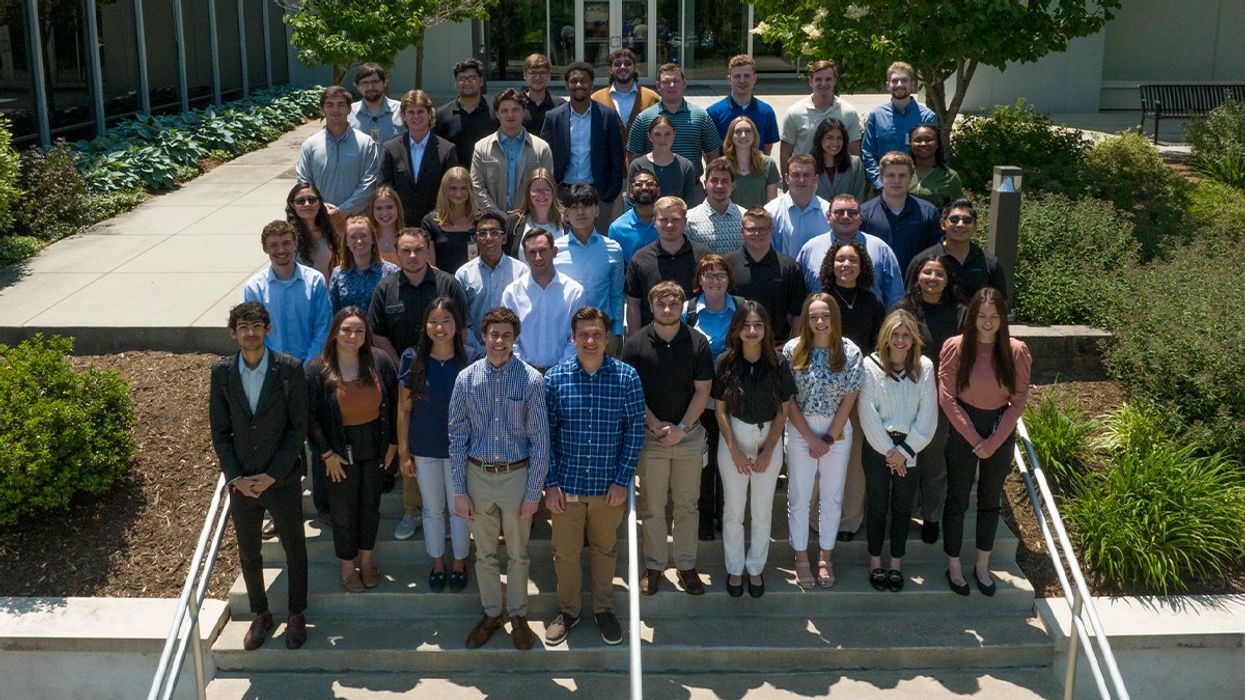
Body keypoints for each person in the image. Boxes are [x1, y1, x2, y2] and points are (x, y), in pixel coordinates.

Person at [209, 302, 309, 651]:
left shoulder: (289, 370)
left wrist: (271, 475)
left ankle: (296, 614)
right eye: (243, 327)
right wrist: (236, 477)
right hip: (241, 482)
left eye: (256, 326)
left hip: (279, 479)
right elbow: (220, 432)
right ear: (233, 333)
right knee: (249, 552)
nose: (250, 333)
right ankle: (260, 613)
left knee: (294, 548)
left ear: (268, 329)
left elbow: (298, 430)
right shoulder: (221, 373)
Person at [543, 307, 645, 646]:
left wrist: (622, 479)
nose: (590, 340)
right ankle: (569, 612)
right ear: (572, 337)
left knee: (605, 549)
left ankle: (604, 609)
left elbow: (634, 432)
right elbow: (546, 436)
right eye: (584, 334)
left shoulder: (626, 377)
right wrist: (551, 483)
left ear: (608, 338)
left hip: (607, 488)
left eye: (597, 334)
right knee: (566, 554)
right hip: (567, 488)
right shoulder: (554, 379)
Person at [449, 307, 550, 649]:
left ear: (514, 339)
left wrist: (534, 492)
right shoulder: (466, 379)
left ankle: (518, 615)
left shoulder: (531, 380)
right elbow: (457, 436)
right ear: (484, 336)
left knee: (519, 553)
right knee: (486, 553)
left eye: (507, 335)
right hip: (478, 474)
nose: (500, 341)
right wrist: (459, 491)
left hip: (516, 475)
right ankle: (493, 612)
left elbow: (540, 439)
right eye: (494, 334)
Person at [367, 227, 470, 540]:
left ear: (428, 251)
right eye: (406, 251)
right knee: (410, 440)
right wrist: (404, 367)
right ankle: (414, 511)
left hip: (447, 371)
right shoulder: (386, 288)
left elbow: (462, 327)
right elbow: (378, 333)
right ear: (396, 253)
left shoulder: (447, 284)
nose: (412, 256)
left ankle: (455, 516)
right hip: (405, 374)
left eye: (418, 250)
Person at [622, 281, 715, 596]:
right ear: (651, 306)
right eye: (661, 304)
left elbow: (703, 390)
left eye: (673, 304)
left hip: (689, 438)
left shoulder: (698, 342)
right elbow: (633, 393)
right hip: (652, 439)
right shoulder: (634, 344)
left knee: (688, 506)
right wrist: (656, 425)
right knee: (653, 506)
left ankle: (687, 566)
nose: (667, 310)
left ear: (681, 307)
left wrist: (683, 429)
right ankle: (654, 566)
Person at [939, 288, 1031, 597]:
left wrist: (993, 440)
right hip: (964, 427)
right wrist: (975, 438)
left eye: (994, 317)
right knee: (957, 498)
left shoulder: (1015, 350)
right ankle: (953, 564)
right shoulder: (956, 346)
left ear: (1003, 319)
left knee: (990, 502)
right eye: (982, 316)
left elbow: (1018, 400)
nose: (988, 322)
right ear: (972, 317)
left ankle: (982, 564)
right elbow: (948, 397)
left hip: (998, 429)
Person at [306, 307, 398, 592]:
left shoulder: (379, 361)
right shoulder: (316, 369)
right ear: (335, 332)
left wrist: (393, 443)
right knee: (343, 512)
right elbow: (309, 417)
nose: (352, 335)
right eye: (346, 329)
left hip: (373, 443)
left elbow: (394, 404)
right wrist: (325, 454)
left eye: (359, 330)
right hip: (336, 449)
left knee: (370, 506)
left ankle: (367, 562)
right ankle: (348, 566)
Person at [712, 302, 795, 598]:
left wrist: (769, 451)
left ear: (766, 329)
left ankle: (755, 568)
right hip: (734, 435)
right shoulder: (725, 362)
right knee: (733, 510)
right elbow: (720, 410)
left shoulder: (779, 363)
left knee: (761, 511)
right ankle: (735, 569)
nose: (752, 331)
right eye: (746, 325)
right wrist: (733, 450)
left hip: (767, 437)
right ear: (737, 329)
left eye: (758, 325)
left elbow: (784, 412)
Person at [783, 293, 862, 589]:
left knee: (832, 496)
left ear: (835, 318)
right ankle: (801, 557)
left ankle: (825, 557)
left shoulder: (850, 351)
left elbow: (849, 399)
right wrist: (810, 438)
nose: (819, 322)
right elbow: (787, 400)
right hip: (800, 429)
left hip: (836, 432)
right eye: (814, 316)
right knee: (799, 497)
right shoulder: (793, 350)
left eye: (825, 316)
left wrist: (827, 438)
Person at [858, 309, 938, 593]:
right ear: (886, 336)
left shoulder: (924, 367)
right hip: (878, 447)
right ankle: (876, 562)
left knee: (903, 508)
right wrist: (890, 452)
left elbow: (928, 416)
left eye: (906, 335)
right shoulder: (869, 365)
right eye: (895, 334)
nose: (901, 340)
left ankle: (896, 564)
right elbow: (866, 411)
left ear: (914, 338)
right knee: (877, 505)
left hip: (910, 449)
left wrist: (904, 451)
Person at [397, 298, 472, 592]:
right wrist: (404, 452)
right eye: (433, 321)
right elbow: (403, 410)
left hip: (460, 450)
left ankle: (459, 563)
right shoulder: (412, 358)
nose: (439, 328)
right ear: (425, 325)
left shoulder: (470, 358)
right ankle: (438, 562)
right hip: (424, 447)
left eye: (446, 321)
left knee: (459, 510)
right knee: (431, 509)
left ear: (456, 325)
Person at [897, 254, 965, 545]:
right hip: (905, 394)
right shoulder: (903, 310)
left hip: (942, 398)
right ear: (917, 276)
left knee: (934, 461)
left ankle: (932, 517)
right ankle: (903, 512)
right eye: (927, 273)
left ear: (948, 280)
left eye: (939, 274)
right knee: (906, 456)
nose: (932, 279)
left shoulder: (961, 313)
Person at [682, 254, 739, 542]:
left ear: (729, 280)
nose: (714, 281)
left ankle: (726, 516)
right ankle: (705, 518)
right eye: (708, 275)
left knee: (728, 461)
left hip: (733, 401)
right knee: (704, 464)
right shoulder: (687, 312)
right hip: (699, 402)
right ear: (699, 280)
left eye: (720, 275)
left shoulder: (742, 310)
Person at [541, 62, 625, 231]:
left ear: (591, 84)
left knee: (597, 242)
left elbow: (617, 156)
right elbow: (544, 156)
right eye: (573, 81)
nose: (578, 85)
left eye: (584, 81)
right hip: (562, 194)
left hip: (598, 194)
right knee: (564, 244)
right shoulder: (553, 117)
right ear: (567, 85)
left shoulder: (607, 116)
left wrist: (609, 195)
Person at [243, 221, 332, 365]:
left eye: (286, 243)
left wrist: (307, 366)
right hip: (271, 367)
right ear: (265, 248)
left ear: (295, 243)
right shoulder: (255, 288)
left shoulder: (315, 281)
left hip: (310, 365)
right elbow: (254, 333)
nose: (281, 250)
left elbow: (323, 328)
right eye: (273, 245)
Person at [795, 193, 905, 309]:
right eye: (839, 212)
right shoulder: (810, 249)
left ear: (861, 218)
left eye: (852, 213)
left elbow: (895, 297)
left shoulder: (880, 249)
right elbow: (797, 296)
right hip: (821, 323)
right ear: (828, 217)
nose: (845, 216)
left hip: (870, 324)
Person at [296, 86, 380, 231]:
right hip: (320, 221)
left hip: (357, 224)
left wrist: (342, 211)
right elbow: (303, 183)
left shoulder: (366, 143)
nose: (336, 110)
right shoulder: (310, 145)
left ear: (349, 109)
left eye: (341, 105)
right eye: (330, 105)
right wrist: (323, 209)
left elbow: (369, 184)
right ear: (322, 110)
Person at [553, 185, 625, 353]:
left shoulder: (613, 249)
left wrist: (617, 333)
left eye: (586, 206)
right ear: (566, 214)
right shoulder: (554, 250)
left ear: (597, 210)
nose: (580, 212)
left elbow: (616, 294)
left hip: (602, 332)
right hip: (566, 334)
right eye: (574, 207)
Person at [502, 228, 586, 373]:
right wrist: (526, 372)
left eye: (543, 250)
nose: (538, 257)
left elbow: (576, 338)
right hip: (521, 374)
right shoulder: (512, 293)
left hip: (563, 374)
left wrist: (558, 372)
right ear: (525, 256)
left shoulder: (574, 291)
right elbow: (509, 338)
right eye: (532, 252)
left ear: (554, 251)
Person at [624, 196, 710, 332]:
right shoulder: (640, 259)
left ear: (685, 222)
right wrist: (635, 341)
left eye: (675, 219)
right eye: (663, 220)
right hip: (651, 341)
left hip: (695, 338)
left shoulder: (703, 257)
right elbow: (634, 302)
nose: (669, 225)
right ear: (654, 222)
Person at [725, 208, 807, 343]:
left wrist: (791, 346)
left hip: (777, 346)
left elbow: (797, 313)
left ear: (770, 230)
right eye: (751, 229)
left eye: (762, 229)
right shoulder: (728, 265)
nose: (757, 233)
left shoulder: (790, 267)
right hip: (737, 346)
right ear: (742, 231)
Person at [626, 63, 721, 178]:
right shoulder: (644, 118)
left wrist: (711, 182)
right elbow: (633, 157)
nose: (671, 85)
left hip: (692, 188)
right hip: (654, 189)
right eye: (666, 82)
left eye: (676, 81)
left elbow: (713, 155)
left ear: (684, 84)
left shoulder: (701, 116)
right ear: (658, 85)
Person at [380, 89, 459, 228]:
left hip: (437, 224)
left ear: (429, 114)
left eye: (421, 112)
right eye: (411, 112)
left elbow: (451, 190)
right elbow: (383, 189)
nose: (416, 116)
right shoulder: (390, 149)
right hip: (399, 224)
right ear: (403, 116)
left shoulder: (447, 149)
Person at [907, 198, 1010, 304]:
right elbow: (908, 302)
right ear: (943, 224)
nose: (960, 224)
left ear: (975, 226)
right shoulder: (922, 261)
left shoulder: (990, 264)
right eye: (954, 219)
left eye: (967, 220)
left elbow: (1000, 307)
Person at [471, 88, 555, 214]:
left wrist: (525, 216)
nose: (510, 115)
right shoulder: (481, 148)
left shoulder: (541, 148)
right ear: (497, 114)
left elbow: (546, 188)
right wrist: (499, 216)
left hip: (530, 220)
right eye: (504, 110)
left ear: (524, 112)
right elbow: (476, 188)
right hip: (492, 222)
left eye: (515, 110)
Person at [456, 211, 525, 358]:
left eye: (494, 233)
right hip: (476, 354)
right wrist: (479, 351)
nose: (488, 238)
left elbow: (525, 315)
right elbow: (461, 320)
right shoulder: (463, 274)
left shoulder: (521, 272)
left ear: (504, 238)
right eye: (482, 233)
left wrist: (512, 348)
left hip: (514, 353)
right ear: (475, 239)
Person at [859, 152, 942, 273]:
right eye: (891, 175)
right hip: (876, 285)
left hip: (917, 285)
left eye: (902, 175)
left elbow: (936, 253)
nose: (896, 181)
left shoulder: (928, 212)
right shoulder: (864, 213)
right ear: (881, 177)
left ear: (911, 178)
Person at [861, 61, 938, 190]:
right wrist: (879, 182)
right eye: (895, 81)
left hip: (918, 188)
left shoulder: (927, 117)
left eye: (904, 80)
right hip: (883, 187)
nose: (899, 85)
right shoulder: (876, 115)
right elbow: (868, 152)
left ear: (912, 84)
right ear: (887, 85)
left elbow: (933, 153)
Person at [779, 60, 861, 177]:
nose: (823, 83)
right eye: (818, 79)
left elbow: (854, 153)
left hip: (838, 179)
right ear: (810, 81)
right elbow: (785, 153)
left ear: (835, 81)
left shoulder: (849, 112)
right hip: (804, 180)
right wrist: (788, 185)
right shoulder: (795, 112)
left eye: (828, 79)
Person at [819, 239, 885, 363]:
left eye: (853, 260)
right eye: (840, 259)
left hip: (864, 368)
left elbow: (879, 341)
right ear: (831, 264)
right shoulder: (821, 301)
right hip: (827, 367)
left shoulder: (873, 301)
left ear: (861, 267)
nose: (846, 264)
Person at [706, 55, 781, 154]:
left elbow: (767, 147)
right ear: (729, 79)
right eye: (737, 76)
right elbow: (708, 150)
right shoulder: (713, 113)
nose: (742, 80)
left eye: (747, 76)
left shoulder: (766, 112)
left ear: (754, 79)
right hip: (724, 168)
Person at [625, 116, 703, 208]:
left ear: (674, 135)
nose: (662, 139)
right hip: (644, 220)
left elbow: (689, 203)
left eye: (667, 134)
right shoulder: (637, 165)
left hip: (674, 220)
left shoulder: (686, 166)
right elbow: (630, 201)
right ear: (650, 136)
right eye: (657, 134)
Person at [435, 58, 499, 169]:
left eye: (472, 78)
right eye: (462, 78)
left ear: (481, 81)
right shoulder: (441, 115)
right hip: (455, 181)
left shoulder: (496, 112)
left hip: (490, 179)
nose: (467, 82)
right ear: (456, 82)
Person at [329, 216, 399, 313]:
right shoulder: (338, 274)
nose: (359, 241)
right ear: (346, 242)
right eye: (353, 237)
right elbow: (333, 312)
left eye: (364, 236)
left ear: (372, 239)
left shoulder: (392, 272)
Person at [764, 154, 829, 257]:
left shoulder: (829, 212)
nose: (801, 180)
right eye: (796, 175)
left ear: (815, 179)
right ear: (786, 178)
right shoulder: (770, 212)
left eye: (806, 175)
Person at [592, 48, 660, 144]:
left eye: (627, 63)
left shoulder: (651, 98)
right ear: (611, 69)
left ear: (635, 67)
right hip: (608, 157)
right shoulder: (596, 99)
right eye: (617, 64)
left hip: (642, 156)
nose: (622, 67)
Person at [422, 167, 480, 274]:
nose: (458, 194)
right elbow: (430, 265)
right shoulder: (430, 221)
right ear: (444, 190)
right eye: (453, 188)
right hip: (444, 284)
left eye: (463, 188)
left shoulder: (479, 220)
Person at [685, 157, 745, 255]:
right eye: (714, 180)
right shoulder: (688, 219)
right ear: (705, 184)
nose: (719, 186)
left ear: (733, 186)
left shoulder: (745, 218)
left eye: (724, 181)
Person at [722, 116, 780, 209]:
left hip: (759, 221)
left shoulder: (769, 164)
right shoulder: (720, 165)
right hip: (729, 222)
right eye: (738, 131)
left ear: (754, 135)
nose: (743, 135)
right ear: (731, 136)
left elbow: (772, 205)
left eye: (748, 131)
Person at [504, 168, 563, 256]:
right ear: (528, 194)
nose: (541, 194)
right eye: (535, 190)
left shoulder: (567, 223)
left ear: (553, 192)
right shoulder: (514, 222)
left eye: (546, 189)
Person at [286, 182, 338, 280]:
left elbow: (332, 267)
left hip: (324, 292)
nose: (307, 204)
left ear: (319, 204)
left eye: (312, 200)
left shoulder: (327, 231)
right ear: (293, 205)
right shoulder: (288, 236)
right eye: (300, 201)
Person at [608, 170, 660, 265]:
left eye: (650, 184)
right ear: (631, 191)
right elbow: (616, 267)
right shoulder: (617, 228)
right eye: (638, 184)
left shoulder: (668, 223)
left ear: (658, 190)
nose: (644, 188)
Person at [907, 124, 962, 211]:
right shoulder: (902, 173)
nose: (923, 144)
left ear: (937, 144)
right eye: (917, 140)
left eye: (929, 140)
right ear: (910, 144)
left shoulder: (950, 176)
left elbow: (957, 210)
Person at [812, 118, 866, 203]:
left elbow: (859, 198)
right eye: (830, 138)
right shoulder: (809, 165)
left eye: (839, 138)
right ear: (820, 139)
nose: (835, 143)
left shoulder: (855, 164)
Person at [349, 63, 403, 144]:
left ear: (385, 83)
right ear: (357, 86)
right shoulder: (348, 113)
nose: (370, 87)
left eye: (375, 82)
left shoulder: (402, 110)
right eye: (365, 83)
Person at [521, 53, 566, 134]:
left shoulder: (560, 105)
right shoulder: (515, 104)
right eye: (533, 73)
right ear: (525, 75)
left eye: (542, 73)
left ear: (548, 75)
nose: (538, 77)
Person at [368, 185, 405, 265]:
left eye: (390, 207)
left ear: (398, 208)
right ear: (372, 211)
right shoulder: (366, 239)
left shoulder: (408, 238)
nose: (385, 213)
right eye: (379, 208)